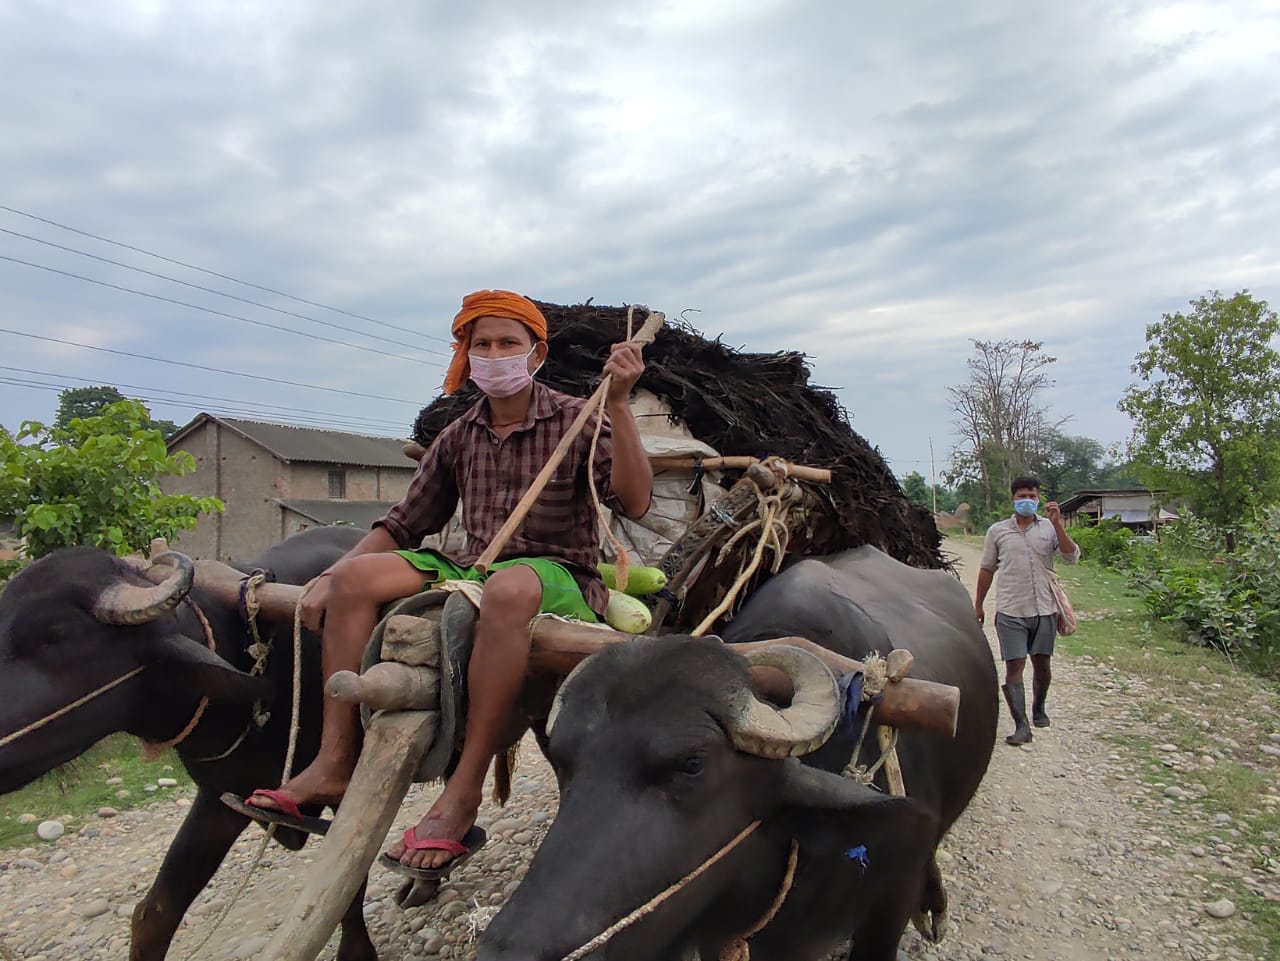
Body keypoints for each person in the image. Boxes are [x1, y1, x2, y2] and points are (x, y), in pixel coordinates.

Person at [226, 289, 653, 875]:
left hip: (557, 574)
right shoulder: (460, 436)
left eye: (509, 343)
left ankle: (464, 790)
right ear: (465, 353)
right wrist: (329, 576)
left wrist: (622, 406)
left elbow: (635, 499)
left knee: (509, 588)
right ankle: (333, 759)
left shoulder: (580, 420)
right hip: (474, 568)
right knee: (354, 575)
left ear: (535, 354)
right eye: (483, 344)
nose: (495, 353)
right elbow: (403, 524)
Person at [974, 475, 1079, 746]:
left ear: (1039, 498)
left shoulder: (1049, 528)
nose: (1027, 501)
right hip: (1010, 610)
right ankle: (1021, 726)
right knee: (1015, 666)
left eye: (1032, 496)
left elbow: (1072, 556)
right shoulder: (998, 531)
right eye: (1022, 496)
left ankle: (1038, 708)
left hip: (1045, 609)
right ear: (1013, 499)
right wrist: (978, 603)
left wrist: (1058, 525)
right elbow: (987, 569)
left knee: (1042, 664)